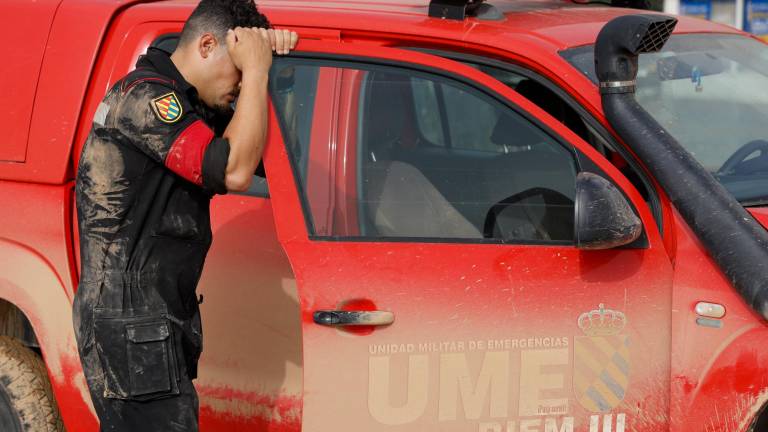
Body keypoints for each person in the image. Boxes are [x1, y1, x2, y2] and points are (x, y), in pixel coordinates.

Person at [72, 0, 298, 430]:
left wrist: (270, 70)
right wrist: (257, 72)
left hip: (148, 320)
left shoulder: (193, 105)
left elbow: (270, 155)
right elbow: (233, 168)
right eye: (238, 69)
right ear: (208, 45)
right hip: (130, 324)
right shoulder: (147, 98)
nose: (240, 85)